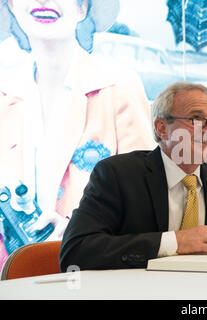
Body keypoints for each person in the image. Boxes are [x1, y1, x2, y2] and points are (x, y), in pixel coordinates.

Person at [0, 0, 156, 265]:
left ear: (83, 8)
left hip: (93, 277)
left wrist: (79, 229)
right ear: (12, 5)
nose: (43, 1)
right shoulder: (5, 93)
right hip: (14, 278)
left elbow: (146, 204)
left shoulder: (118, 88)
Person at [59, 82, 207, 271]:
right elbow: (76, 251)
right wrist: (176, 242)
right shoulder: (117, 174)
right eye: (197, 119)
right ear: (162, 128)